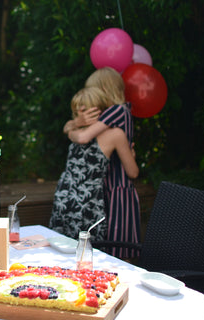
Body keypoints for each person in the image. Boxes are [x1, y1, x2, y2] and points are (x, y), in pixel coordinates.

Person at [64, 67, 141, 259]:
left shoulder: (117, 111)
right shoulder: (123, 112)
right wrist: (74, 124)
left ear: (103, 89)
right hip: (109, 186)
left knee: (118, 249)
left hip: (117, 189)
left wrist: (74, 125)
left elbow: (82, 136)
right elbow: (69, 127)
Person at [49, 86, 139, 242]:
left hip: (64, 196)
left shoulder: (77, 132)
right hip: (87, 201)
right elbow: (133, 172)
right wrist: (131, 154)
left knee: (60, 247)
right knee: (87, 254)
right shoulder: (115, 134)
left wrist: (72, 127)